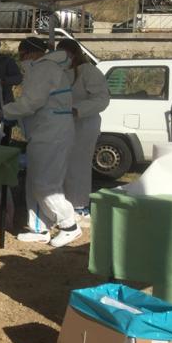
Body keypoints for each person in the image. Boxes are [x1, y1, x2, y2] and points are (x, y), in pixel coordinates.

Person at [0, 36, 81, 248]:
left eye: (22, 54)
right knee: (35, 182)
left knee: (46, 184)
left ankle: (69, 225)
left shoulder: (44, 69)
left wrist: (3, 112)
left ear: (31, 53)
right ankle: (39, 228)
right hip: (45, 132)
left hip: (52, 134)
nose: (21, 59)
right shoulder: (44, 69)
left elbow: (31, 102)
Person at [58, 38, 110, 218]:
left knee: (78, 165)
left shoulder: (89, 71)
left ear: (73, 54)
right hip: (63, 124)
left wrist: (77, 109)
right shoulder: (61, 71)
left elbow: (102, 99)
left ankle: (79, 205)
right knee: (64, 164)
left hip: (85, 124)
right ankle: (64, 203)